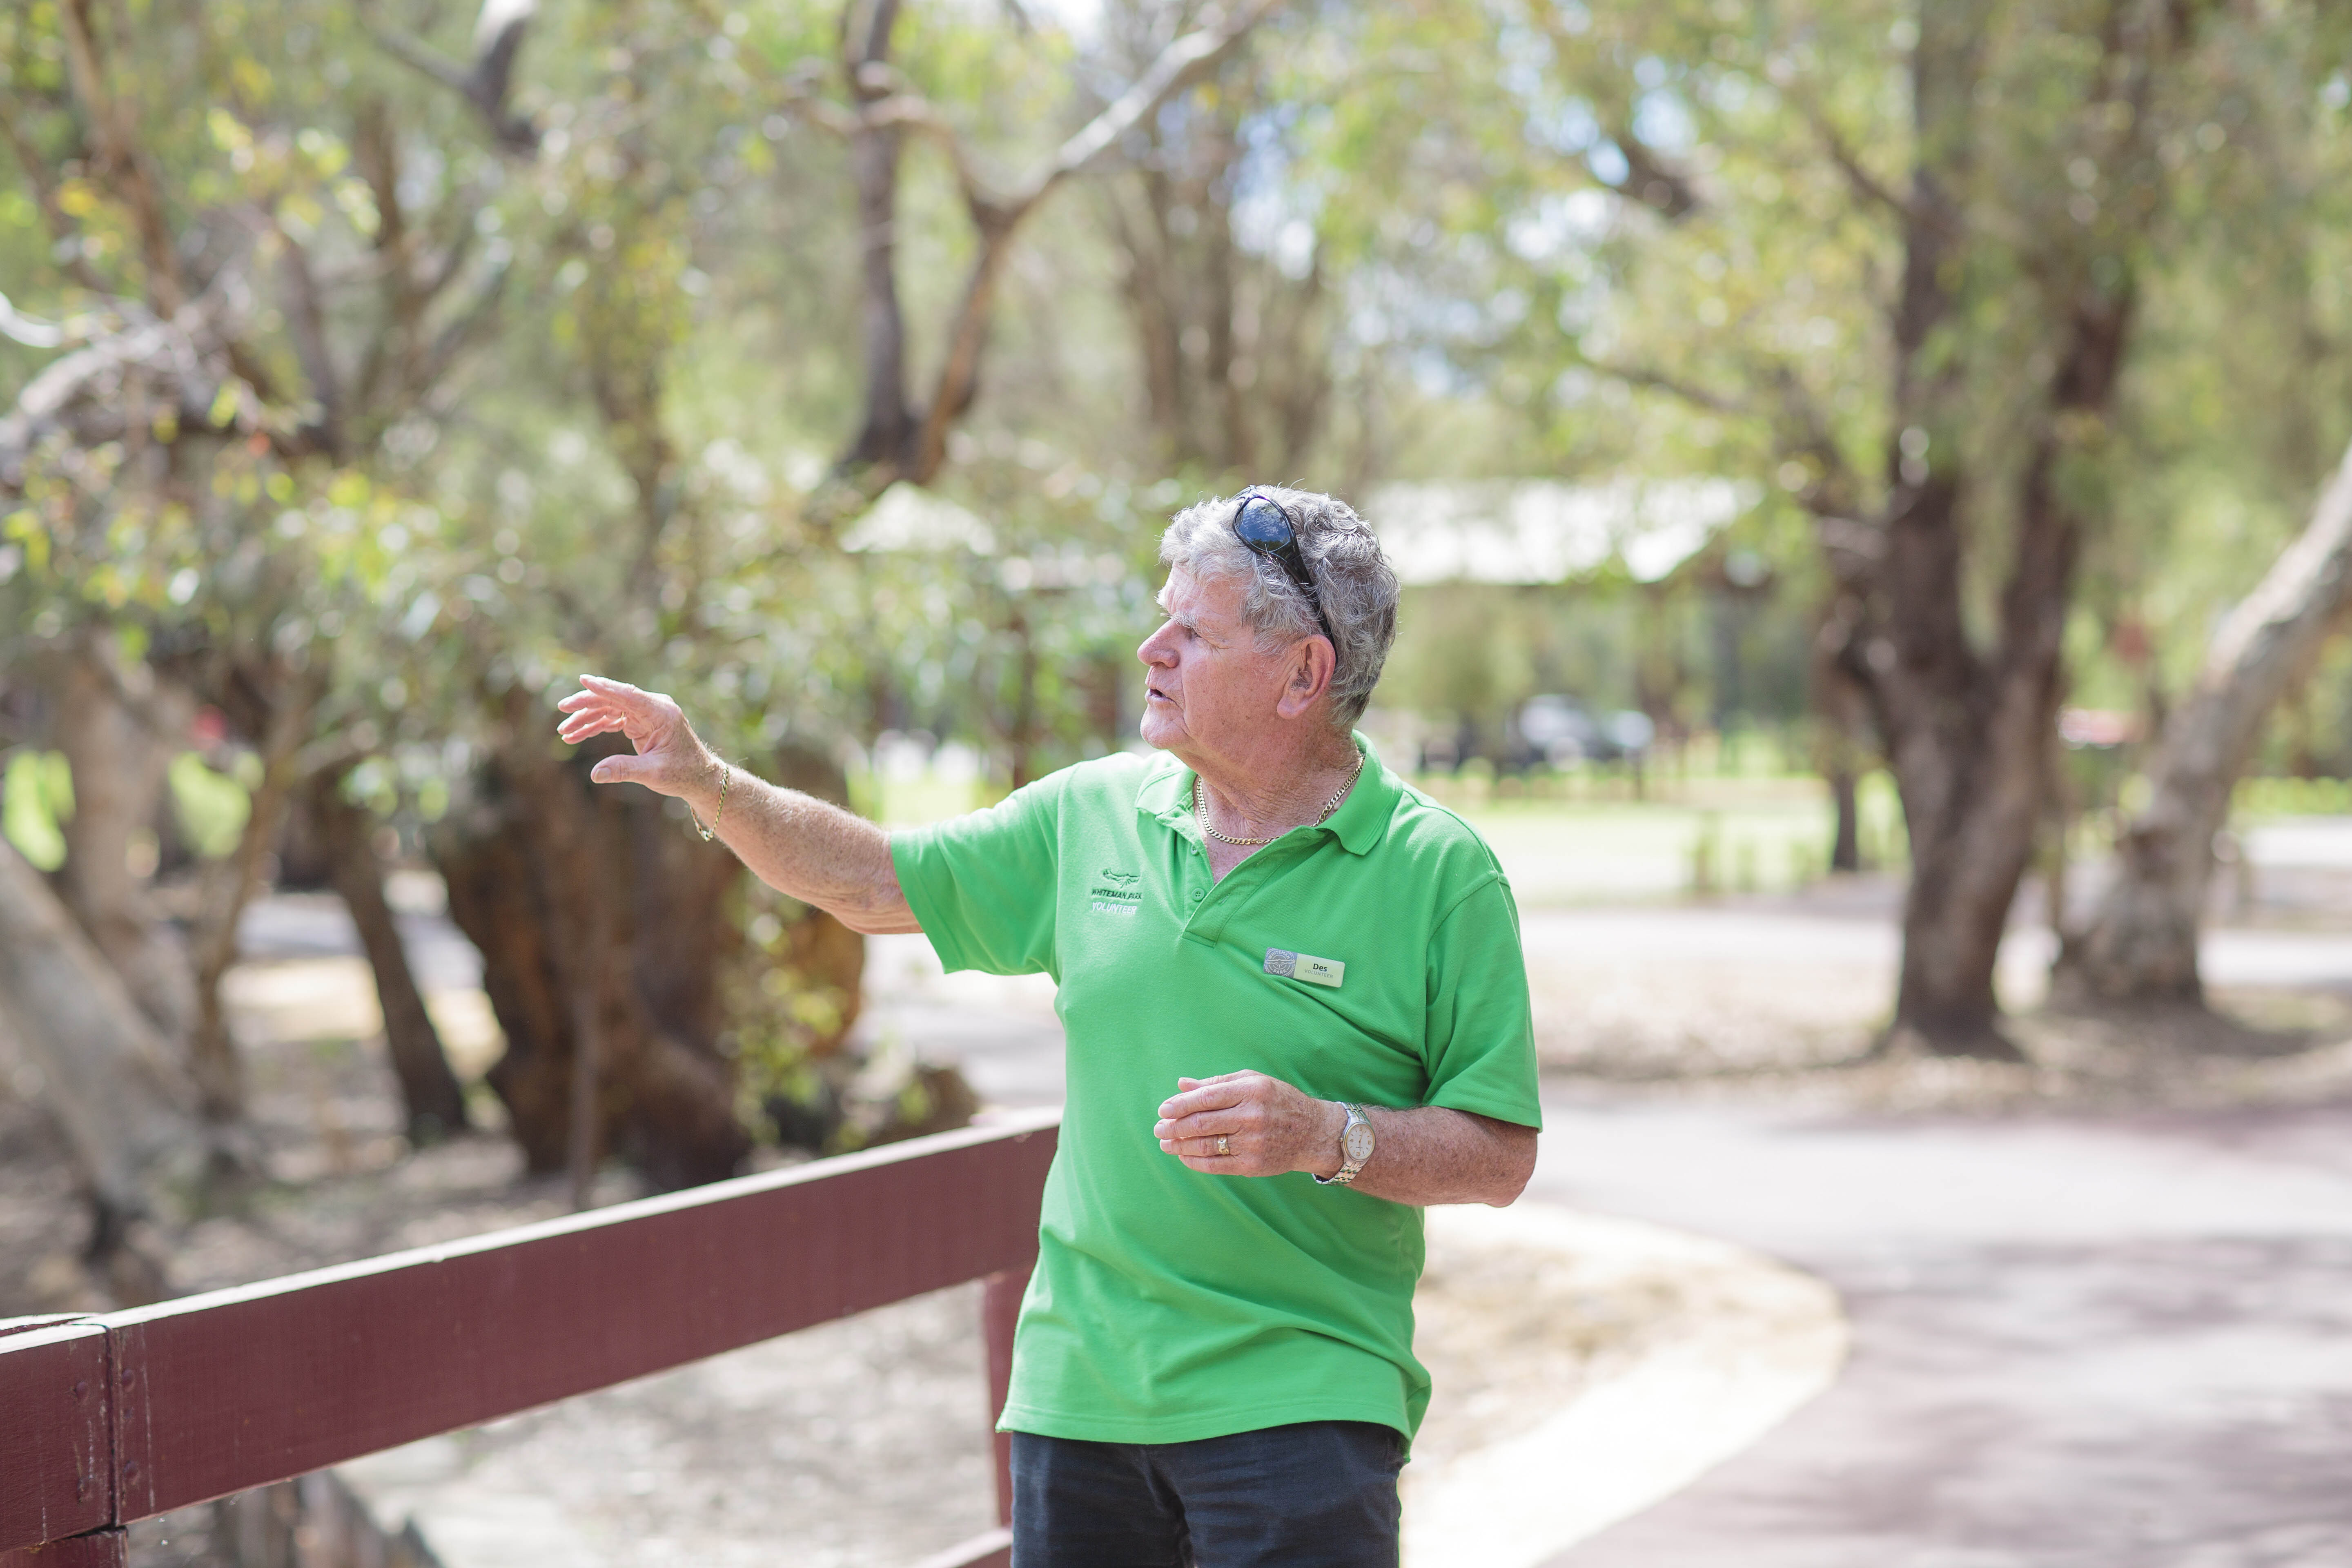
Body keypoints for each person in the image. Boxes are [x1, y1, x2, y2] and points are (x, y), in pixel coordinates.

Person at [557, 485, 1541, 1567]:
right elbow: (874, 883)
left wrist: (1327, 1136)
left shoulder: (1438, 874)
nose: (1151, 651)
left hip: (1301, 1407)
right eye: (1162, 619)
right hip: (1081, 1401)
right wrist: (709, 782)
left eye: (1194, 633)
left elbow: (1498, 1155)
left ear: (1302, 674)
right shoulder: (1091, 816)